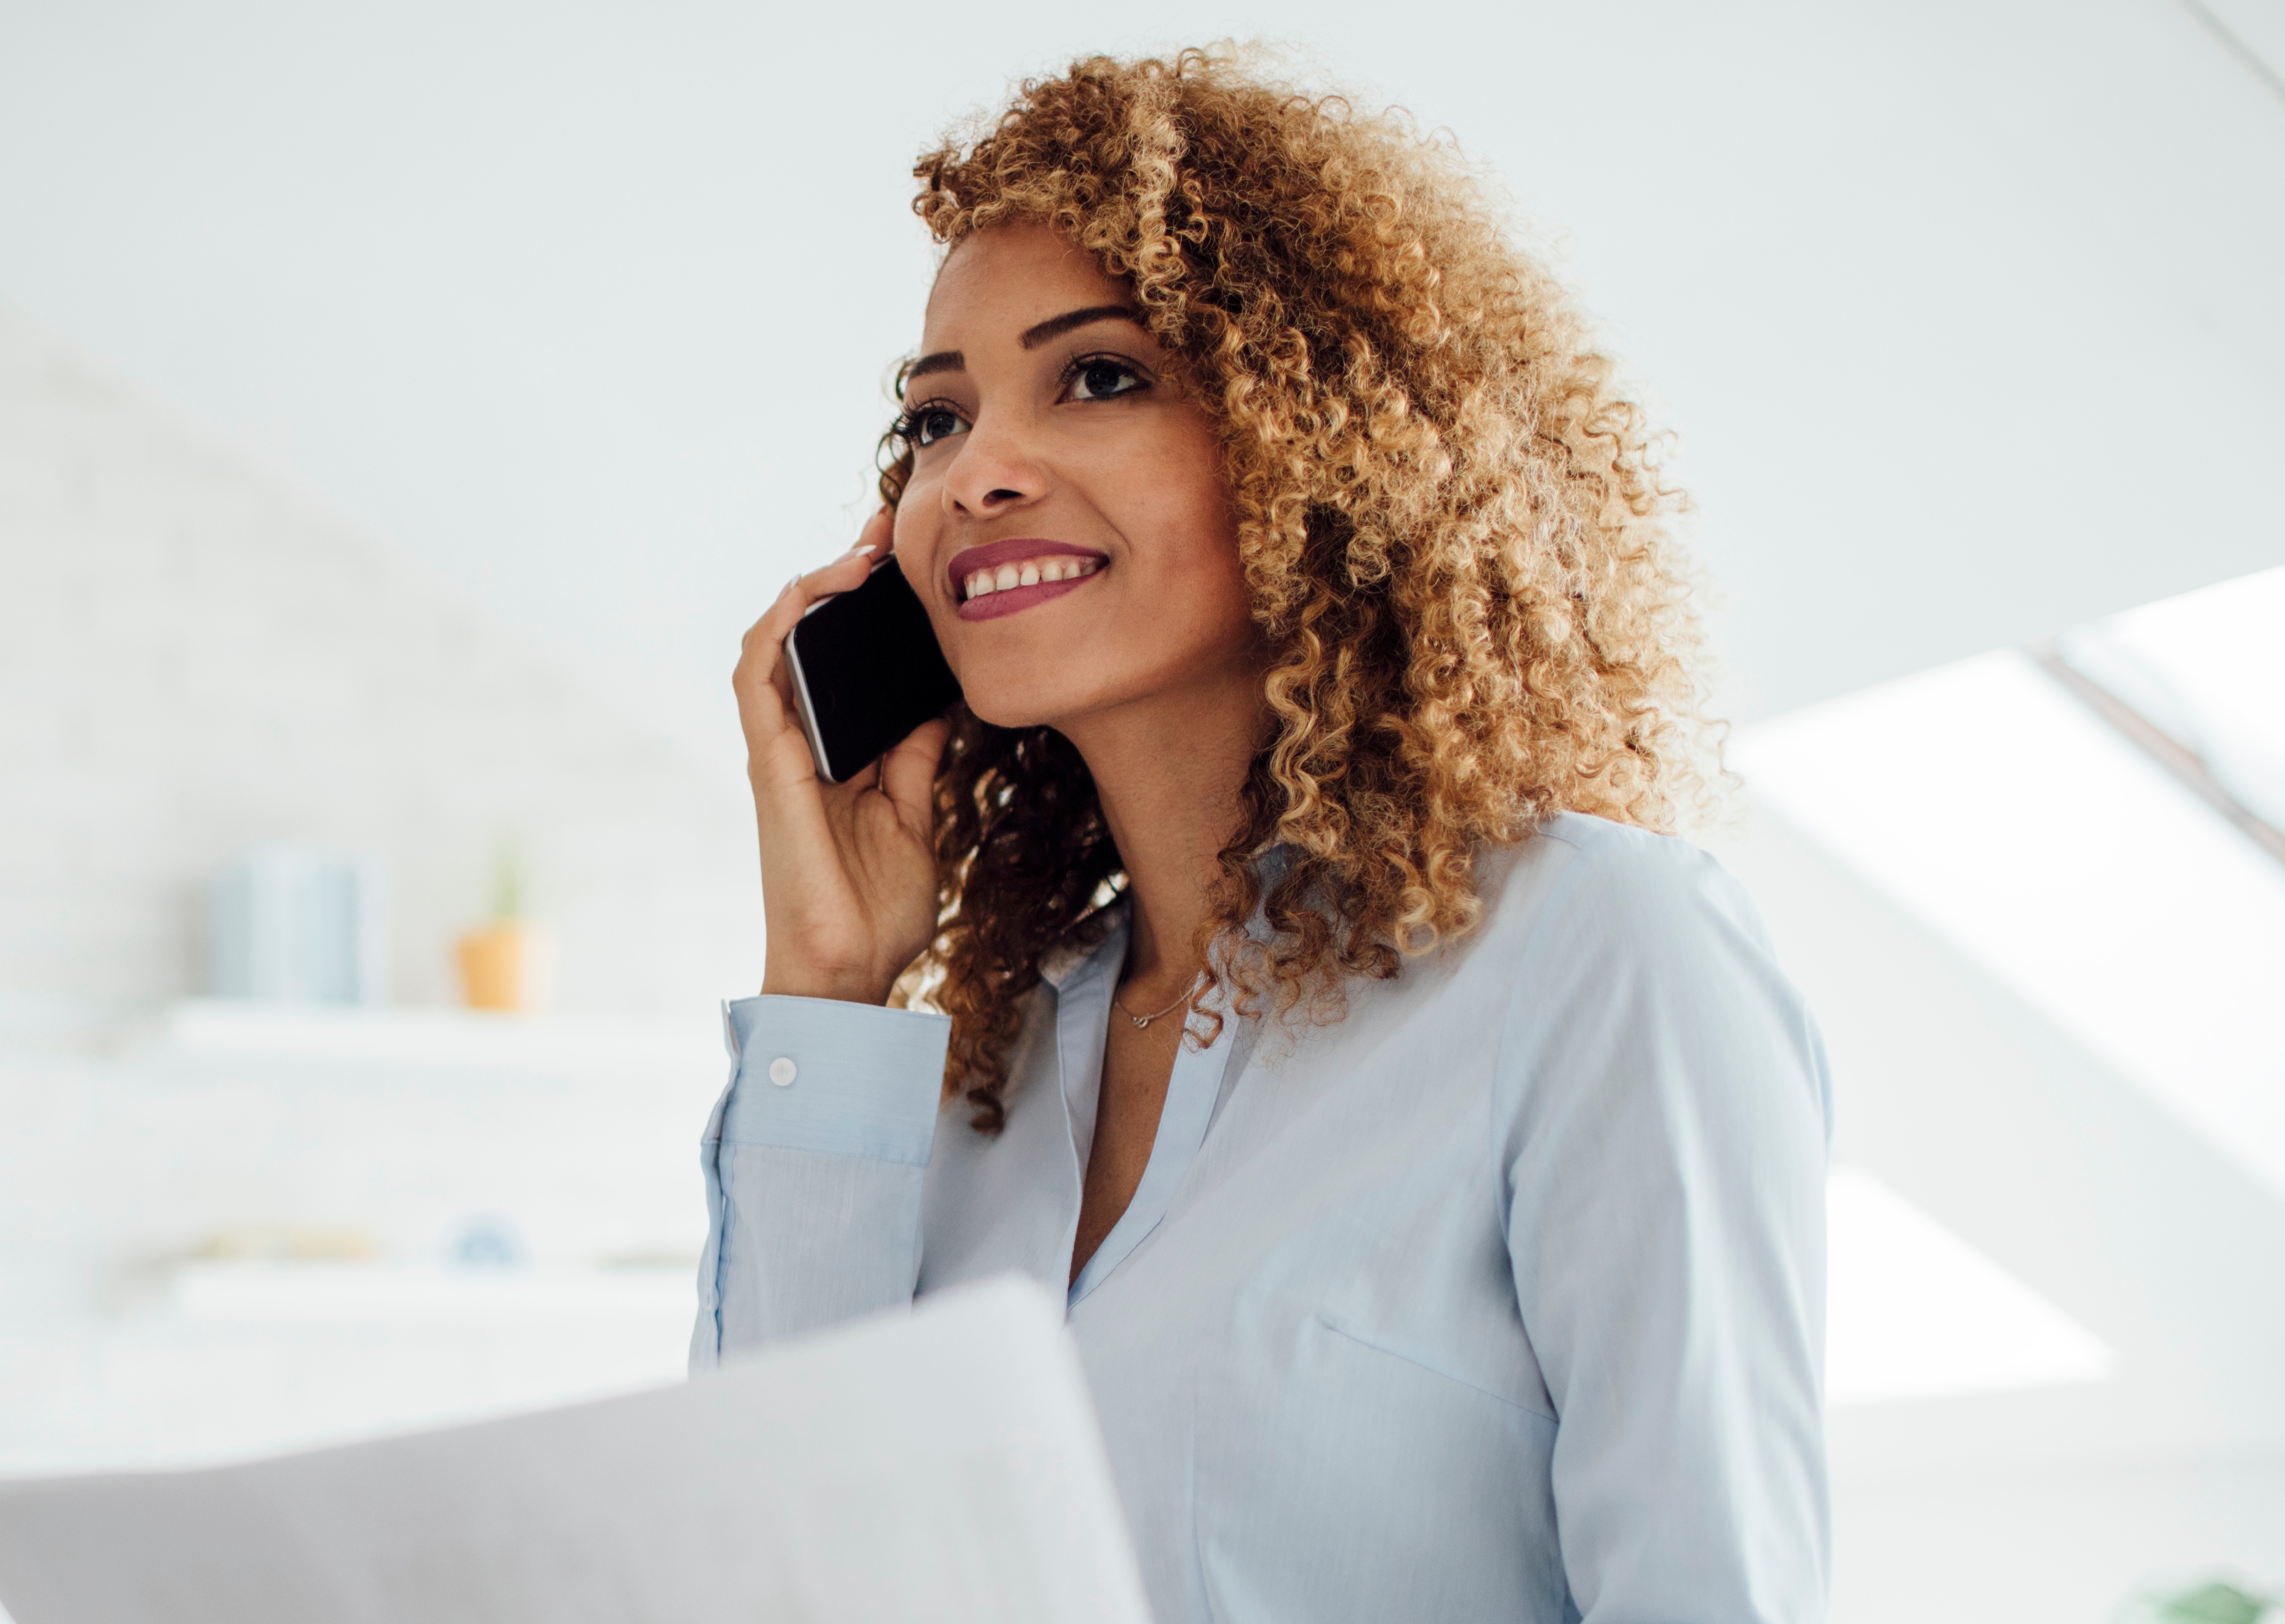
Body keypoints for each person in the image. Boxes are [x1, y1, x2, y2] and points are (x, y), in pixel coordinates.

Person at [700, 49, 1832, 1624]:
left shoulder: (1594, 951)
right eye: (937, 418)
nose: (976, 476)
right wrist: (825, 985)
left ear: (1324, 445)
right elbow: (773, 1570)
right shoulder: (979, 1066)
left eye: (1098, 376)